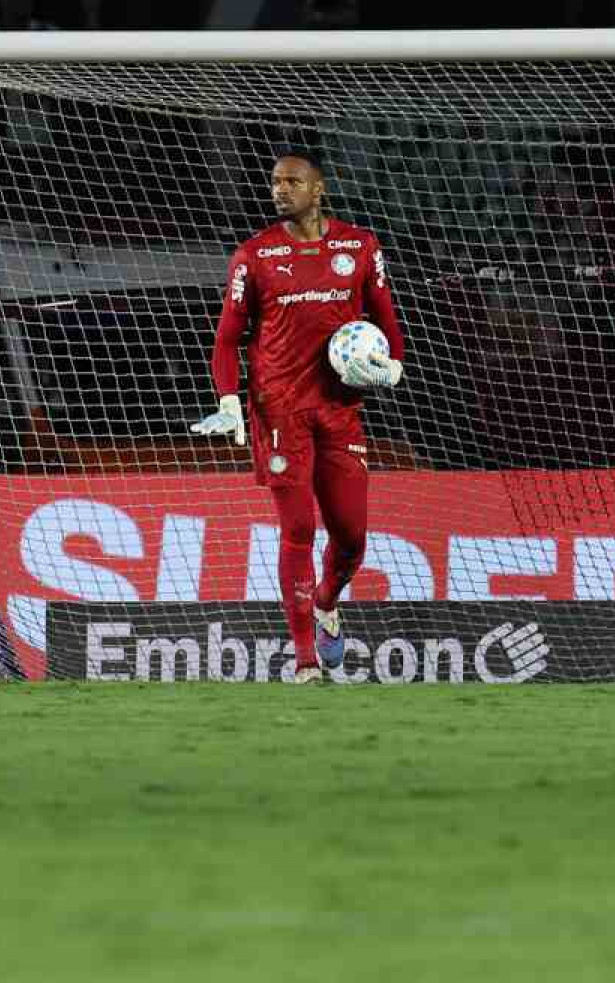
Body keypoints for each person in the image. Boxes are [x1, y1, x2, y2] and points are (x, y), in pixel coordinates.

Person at [192, 151, 406, 680]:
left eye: (292, 181)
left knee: (352, 537)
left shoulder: (360, 246)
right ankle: (306, 659)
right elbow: (227, 338)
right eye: (275, 182)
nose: (280, 190)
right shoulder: (254, 256)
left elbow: (385, 317)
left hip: (339, 409)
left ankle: (327, 600)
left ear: (319, 188)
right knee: (299, 529)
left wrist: (394, 365)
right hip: (280, 411)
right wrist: (228, 399)